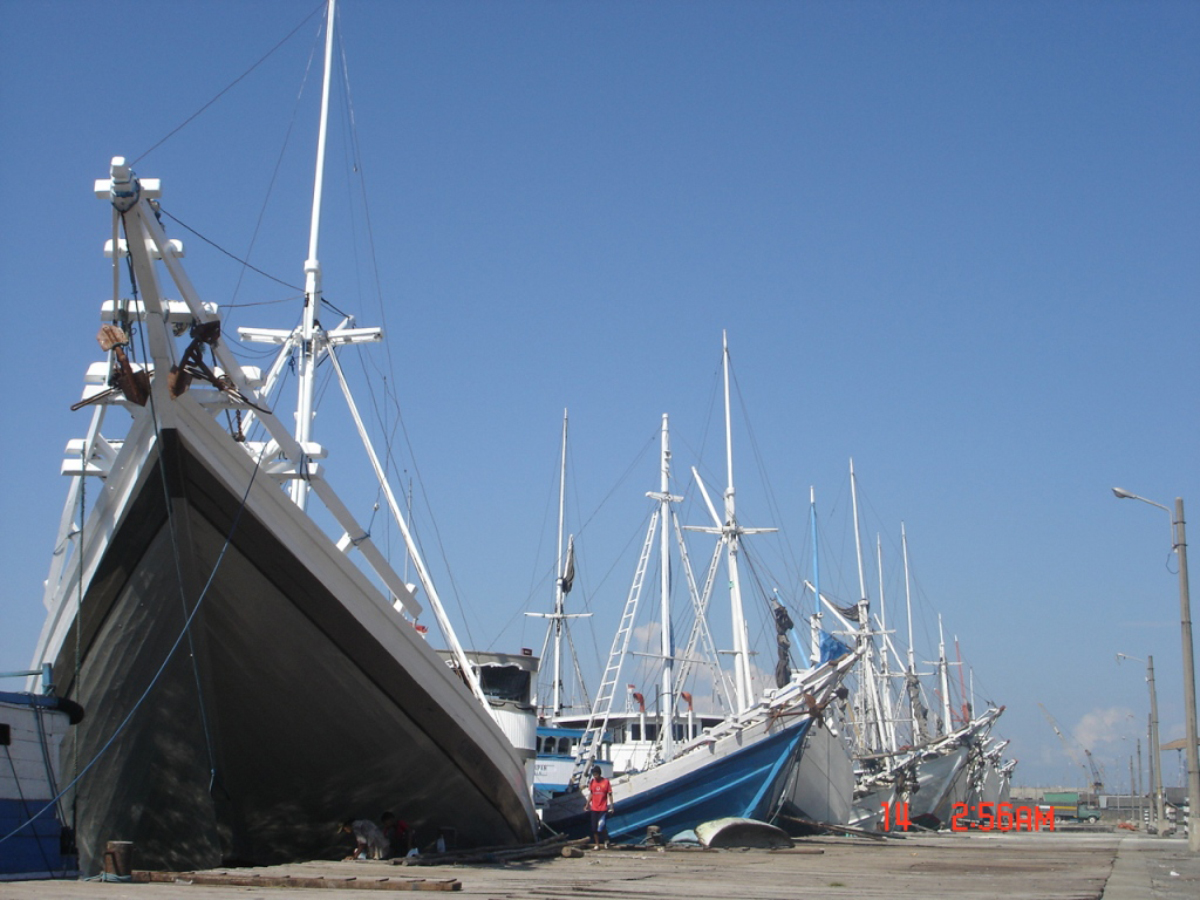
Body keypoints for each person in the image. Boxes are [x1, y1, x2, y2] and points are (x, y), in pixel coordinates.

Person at [586, 765, 613, 849]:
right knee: (594, 828)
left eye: (596, 774)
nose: (595, 776)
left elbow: (610, 794)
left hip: (603, 808)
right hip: (594, 808)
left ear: (599, 774)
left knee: (601, 826)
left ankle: (606, 840)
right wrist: (587, 804)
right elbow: (591, 794)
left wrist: (611, 806)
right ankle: (597, 844)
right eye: (594, 774)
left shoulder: (606, 782)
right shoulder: (592, 782)